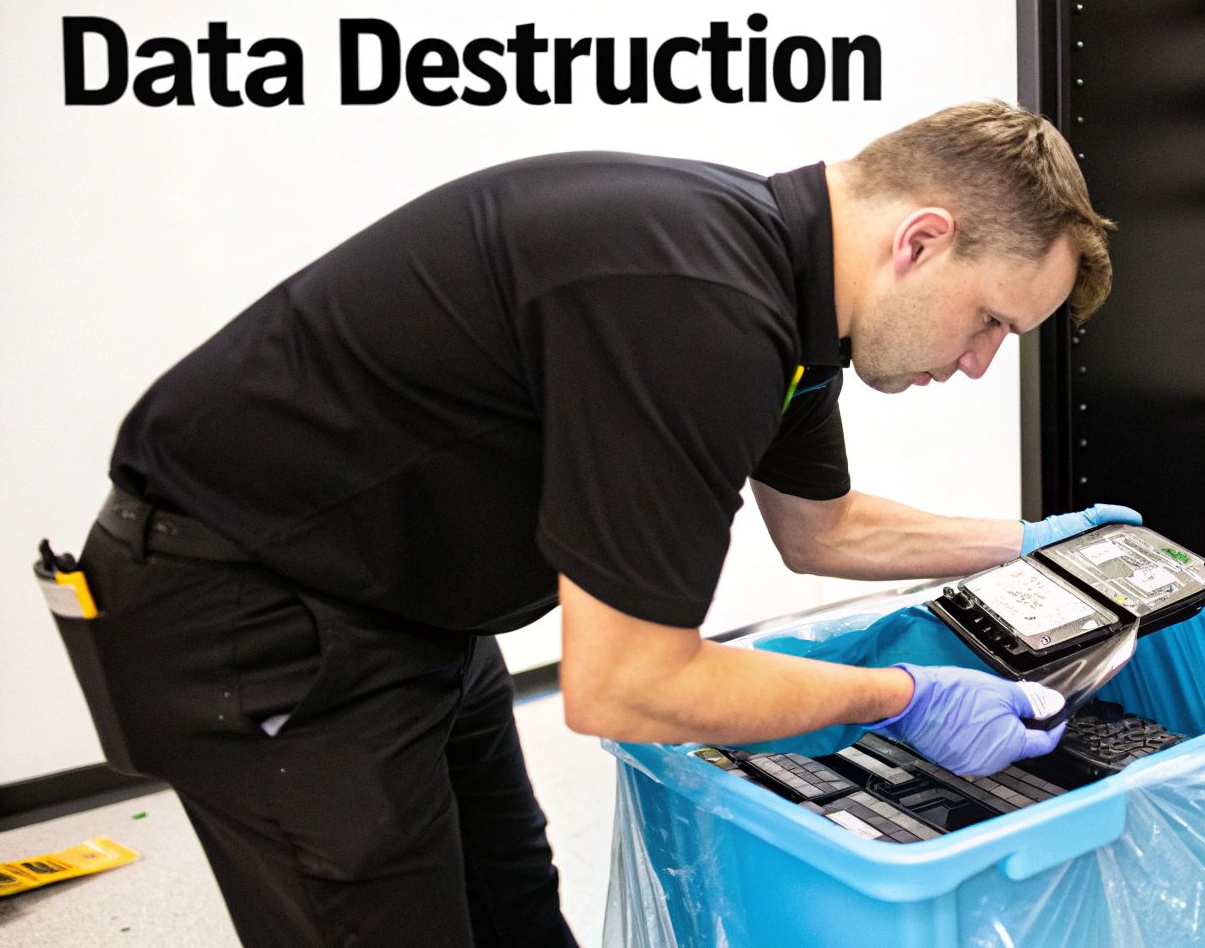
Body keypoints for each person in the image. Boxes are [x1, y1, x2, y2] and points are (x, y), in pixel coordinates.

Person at [71, 100, 1131, 946]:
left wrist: (1037, 542)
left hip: (408, 602)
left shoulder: (796, 306)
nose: (982, 359)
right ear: (922, 239)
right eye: (990, 318)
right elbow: (629, 684)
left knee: (515, 914)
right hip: (244, 608)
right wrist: (904, 698)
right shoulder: (699, 308)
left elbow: (823, 529)